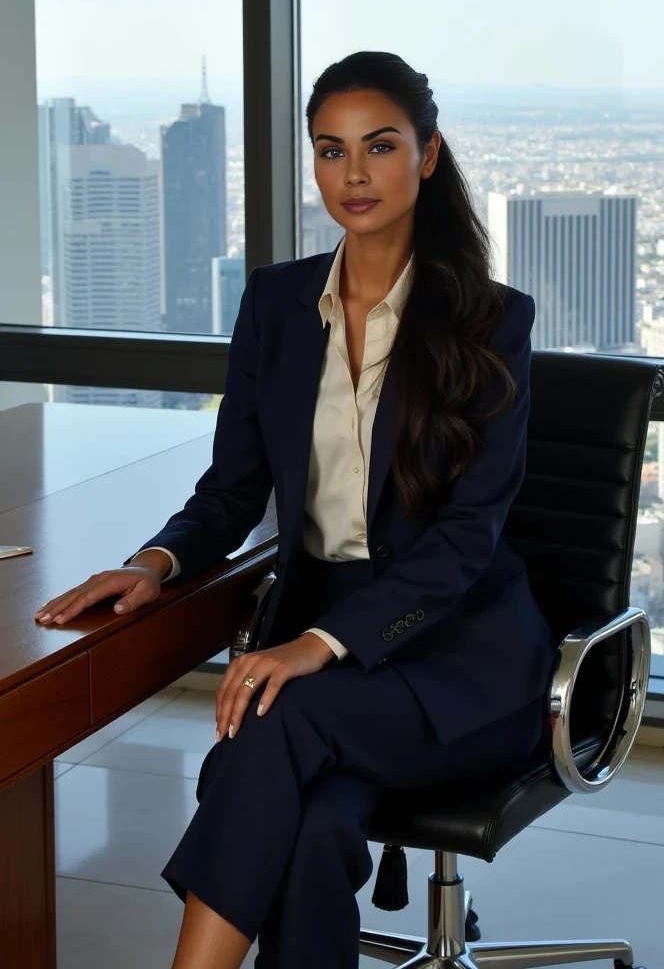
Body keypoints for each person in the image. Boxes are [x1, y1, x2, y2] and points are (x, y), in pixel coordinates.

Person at [33, 52, 557, 969]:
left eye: (380, 146)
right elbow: (233, 488)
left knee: (273, 720)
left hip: (461, 663)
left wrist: (316, 645)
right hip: (326, 669)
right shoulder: (278, 304)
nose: (353, 174)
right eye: (330, 150)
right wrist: (154, 563)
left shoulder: (489, 321)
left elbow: (466, 540)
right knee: (312, 831)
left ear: (427, 155)